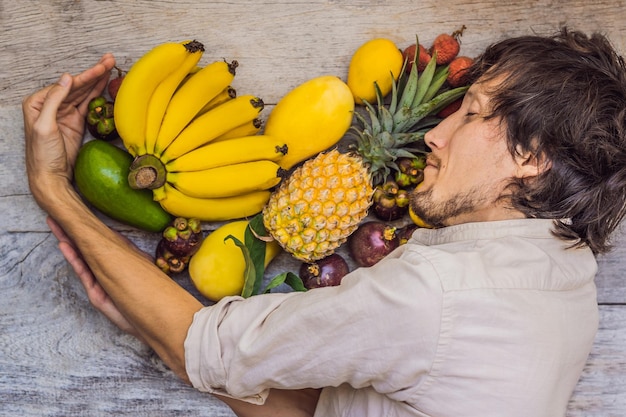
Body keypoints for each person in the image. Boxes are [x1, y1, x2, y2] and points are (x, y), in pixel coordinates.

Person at [22, 27, 626, 417]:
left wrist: (53, 188)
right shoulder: (567, 274)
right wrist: (152, 319)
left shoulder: (430, 295)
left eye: (470, 114)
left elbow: (206, 350)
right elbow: (330, 406)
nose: (435, 136)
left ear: (530, 157)